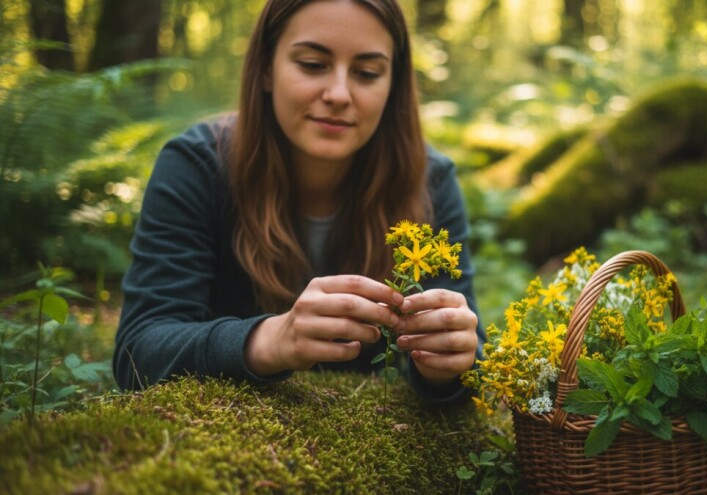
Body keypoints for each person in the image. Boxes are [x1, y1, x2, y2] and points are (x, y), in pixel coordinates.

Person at [113, 0, 483, 404]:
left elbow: (471, 364)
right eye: (312, 64)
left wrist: (449, 366)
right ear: (266, 69)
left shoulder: (429, 181)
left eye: (367, 73)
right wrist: (270, 340)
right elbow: (140, 350)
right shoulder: (196, 168)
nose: (339, 94)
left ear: (393, 85)